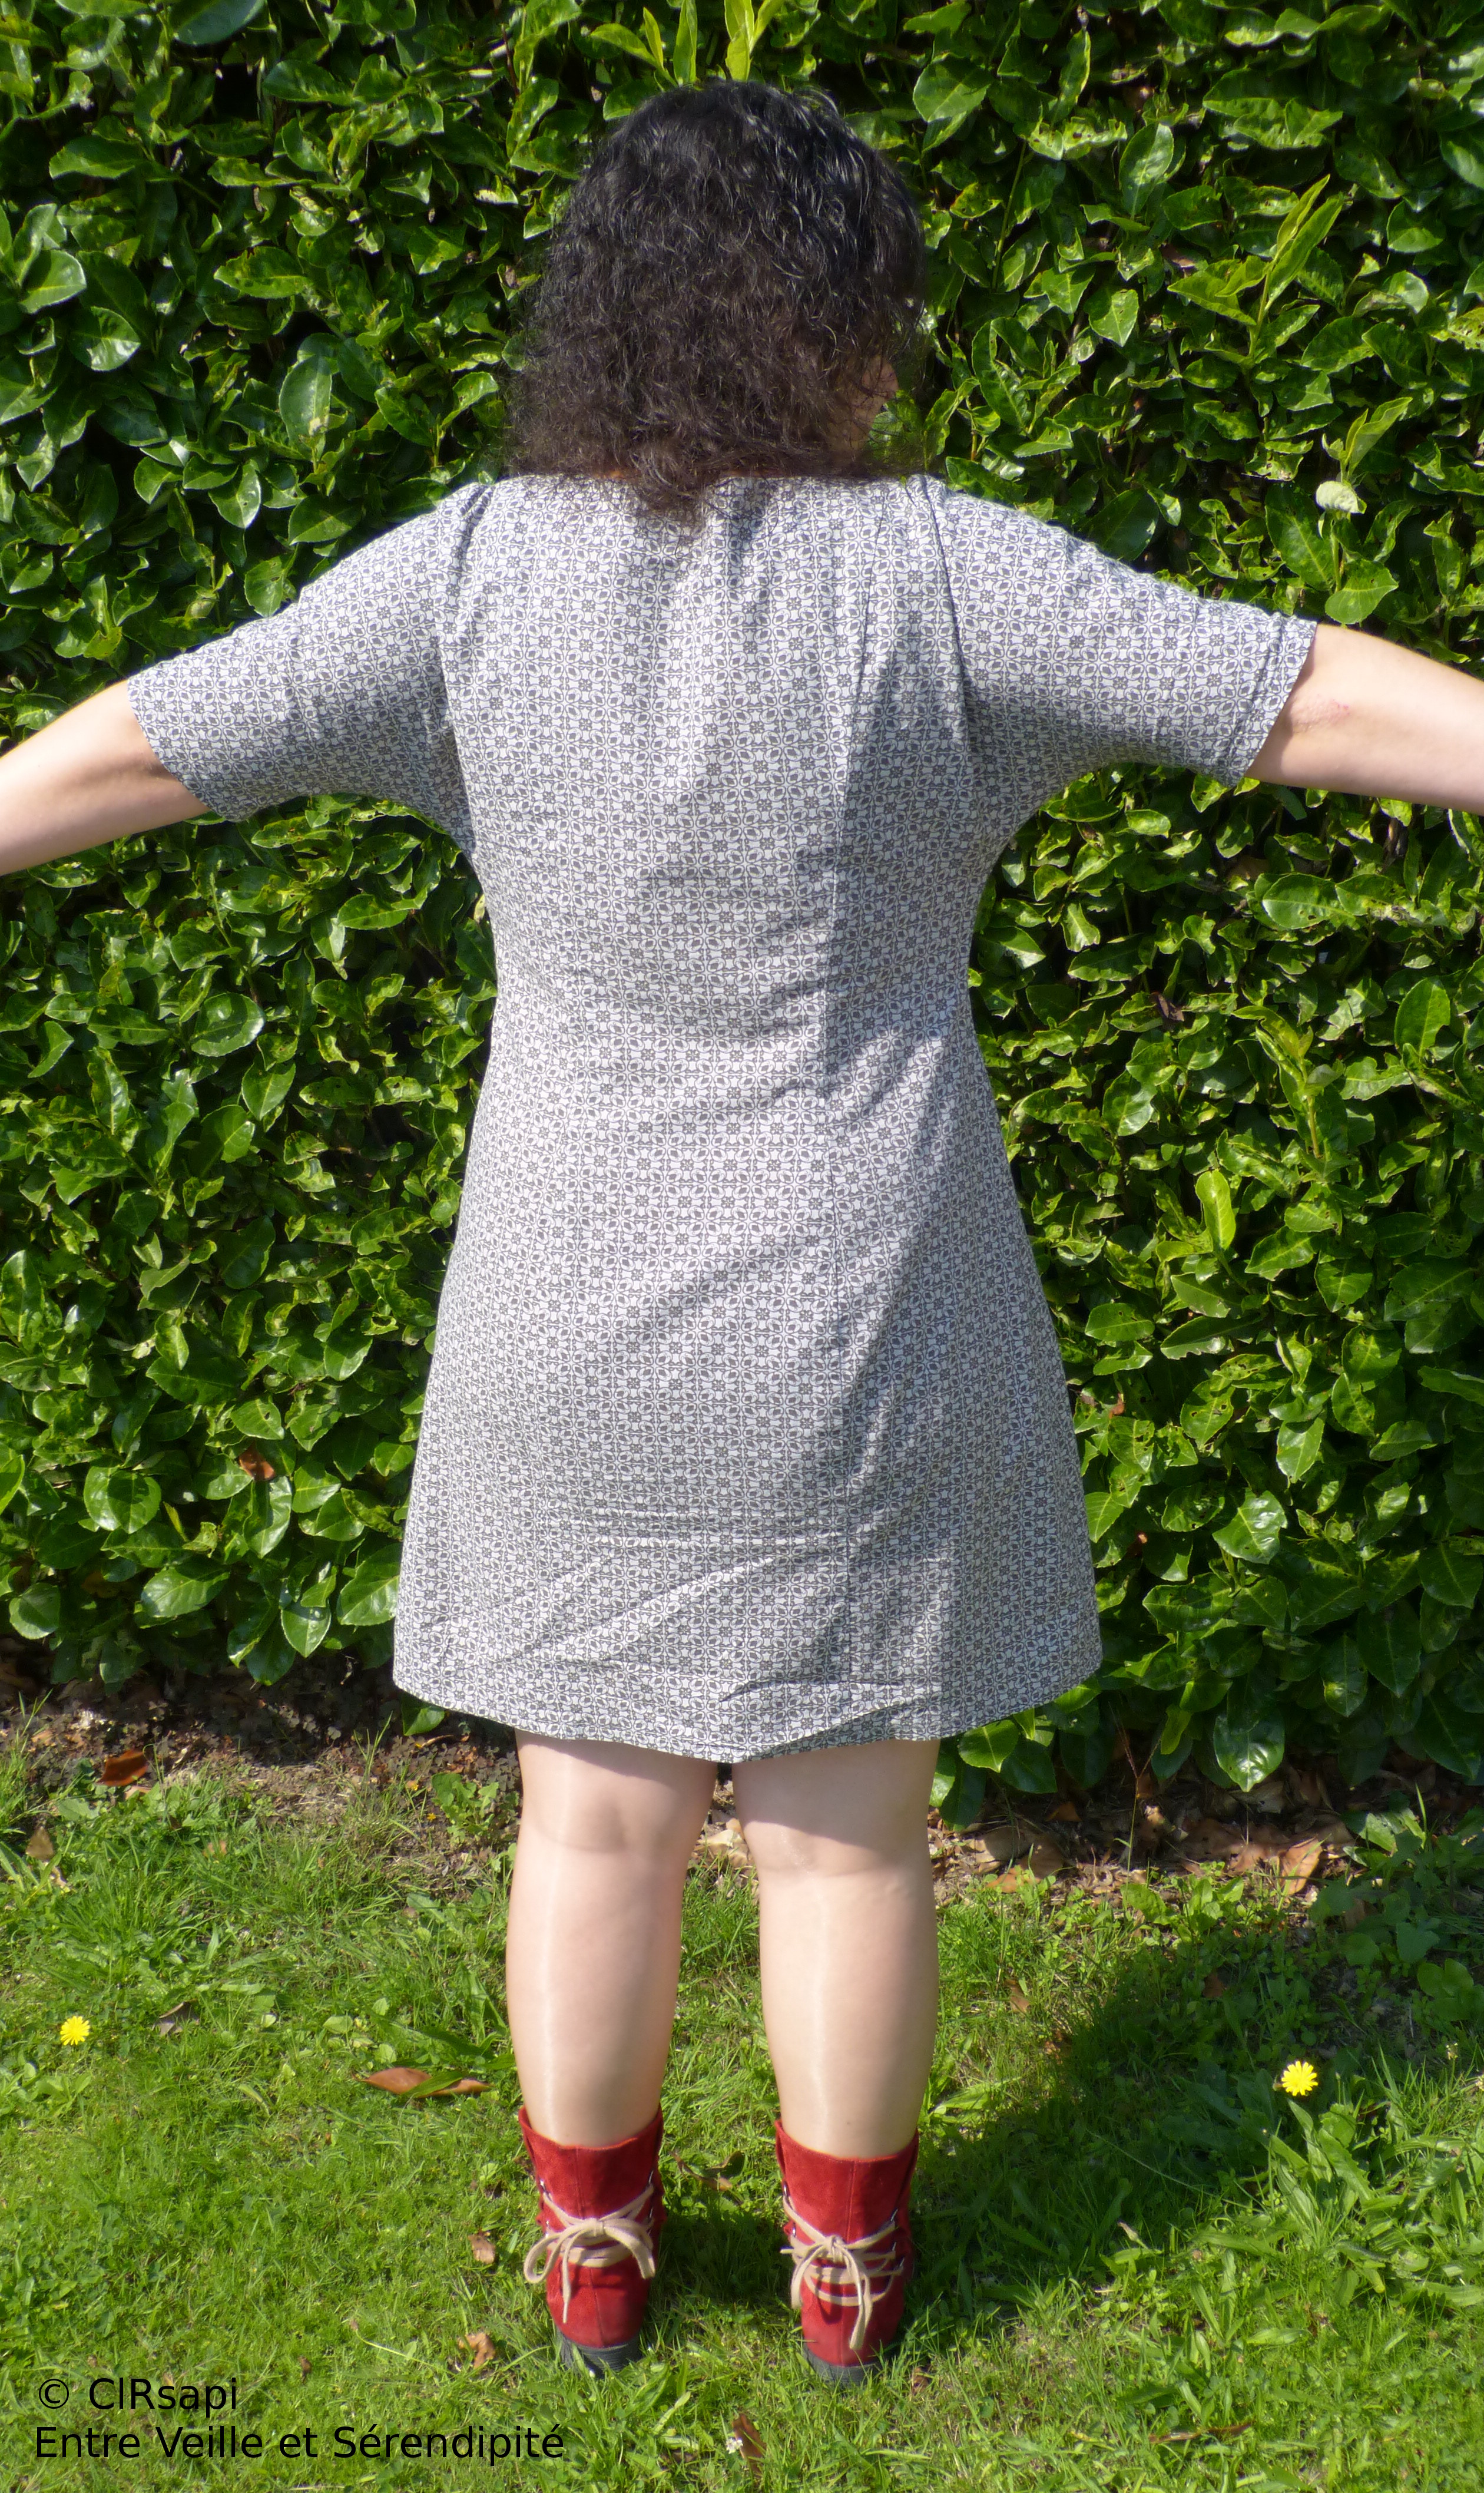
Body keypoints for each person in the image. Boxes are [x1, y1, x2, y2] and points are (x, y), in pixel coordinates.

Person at [2, 79, 1483, 2386]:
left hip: (565, 1314)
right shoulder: (948, 572)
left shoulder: (468, 575)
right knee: (847, 1830)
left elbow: (145, 744)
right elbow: (1293, 690)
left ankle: (597, 2262)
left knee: (588, 1817)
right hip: (864, 1311)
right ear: (845, 313)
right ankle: (846, 2285)